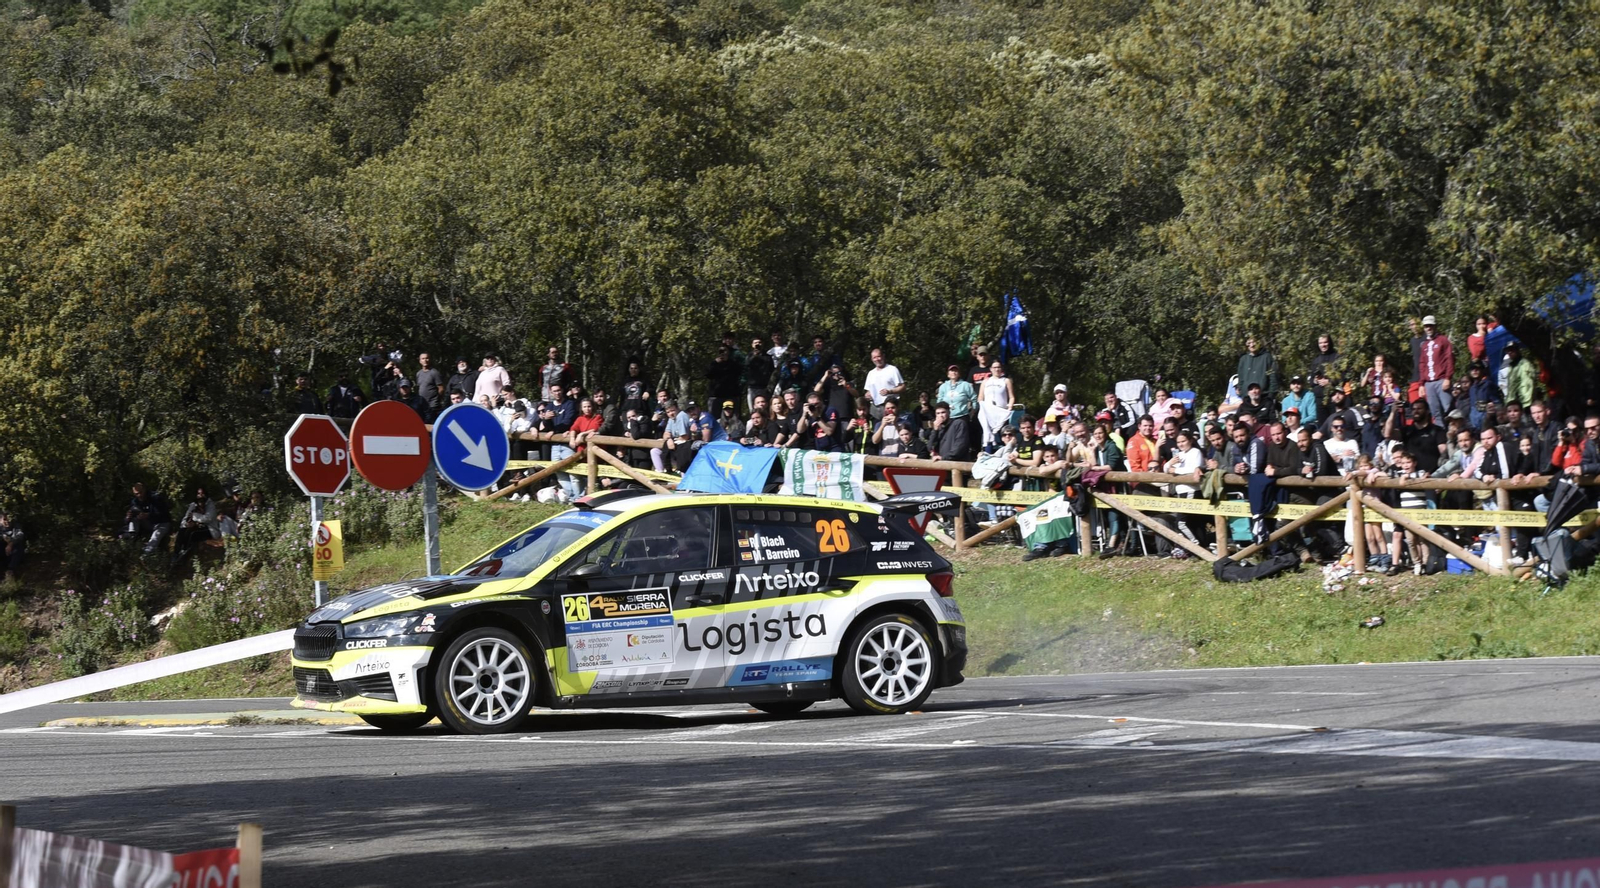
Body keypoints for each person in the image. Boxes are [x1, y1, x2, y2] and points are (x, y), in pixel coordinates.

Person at [1419, 315, 1455, 425]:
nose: (1428, 328)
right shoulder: (1424, 345)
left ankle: (1456, 434)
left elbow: (1450, 358)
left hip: (1441, 380)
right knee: (1435, 412)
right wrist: (1421, 384)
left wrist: (1448, 378)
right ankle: (1441, 438)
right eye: (1426, 326)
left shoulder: (1443, 340)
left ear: (1435, 326)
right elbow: (1422, 364)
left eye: (1430, 326)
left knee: (1449, 409)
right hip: (1429, 383)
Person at [171, 486, 219, 565]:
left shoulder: (210, 505)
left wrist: (195, 517)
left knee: (192, 534)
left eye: (202, 493)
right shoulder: (193, 505)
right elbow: (186, 517)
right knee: (182, 531)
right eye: (198, 493)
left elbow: (208, 518)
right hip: (195, 526)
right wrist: (187, 524)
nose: (200, 495)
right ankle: (176, 553)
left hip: (210, 529)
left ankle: (185, 552)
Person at [977, 360, 1016, 450]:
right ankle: (988, 453)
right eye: (994, 367)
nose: (997, 369)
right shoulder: (985, 382)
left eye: (998, 367)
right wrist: (982, 407)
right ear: (991, 369)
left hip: (1001, 413)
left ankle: (1006, 453)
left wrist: (1009, 407)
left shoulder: (1006, 381)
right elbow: (980, 397)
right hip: (988, 413)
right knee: (988, 435)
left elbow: (1011, 397)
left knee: (1004, 435)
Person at [863, 348, 905, 421]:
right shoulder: (871, 373)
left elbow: (903, 387)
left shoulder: (892, 369)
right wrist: (867, 395)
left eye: (878, 356)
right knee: (877, 430)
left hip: (890, 407)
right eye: (874, 357)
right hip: (875, 409)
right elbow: (868, 391)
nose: (877, 359)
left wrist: (890, 391)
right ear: (872, 359)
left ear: (883, 356)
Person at [745, 337, 775, 409]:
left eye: (759, 342)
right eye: (755, 343)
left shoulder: (768, 357)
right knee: (753, 408)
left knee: (766, 408)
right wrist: (755, 356)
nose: (757, 344)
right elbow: (746, 366)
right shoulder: (749, 356)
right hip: (753, 387)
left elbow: (772, 371)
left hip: (765, 387)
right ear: (752, 345)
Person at [414, 353, 445, 418]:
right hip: (422, 405)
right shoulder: (418, 373)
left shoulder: (434, 372)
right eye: (423, 358)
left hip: (432, 405)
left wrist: (436, 400)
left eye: (427, 358)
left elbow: (441, 388)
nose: (425, 360)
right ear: (420, 361)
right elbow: (418, 387)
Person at [0, 512, 24, 582]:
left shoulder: (15, 526)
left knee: (18, 546)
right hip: (3, 552)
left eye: (8, 519)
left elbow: (20, 535)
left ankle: (10, 571)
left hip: (13, 552)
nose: (7, 521)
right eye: (4, 519)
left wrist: (11, 543)